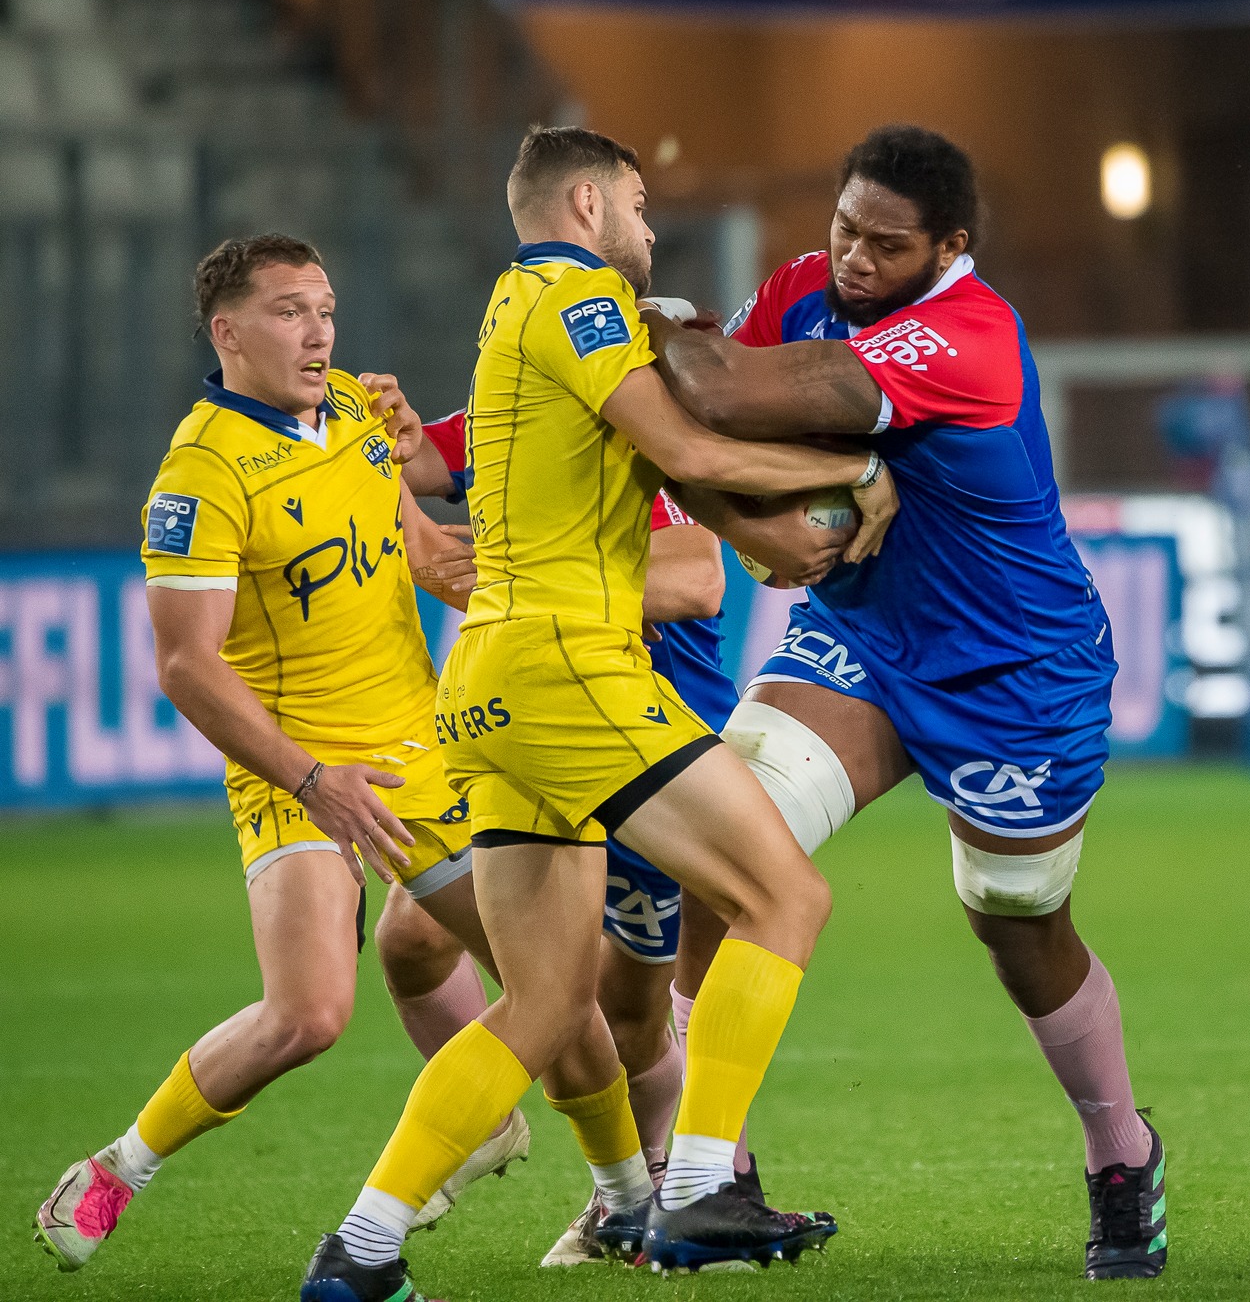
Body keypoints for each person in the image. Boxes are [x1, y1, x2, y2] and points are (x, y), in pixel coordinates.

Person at [300, 126, 899, 1300]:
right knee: (785, 894)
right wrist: (863, 471)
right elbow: (683, 439)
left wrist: (792, 522)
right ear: (584, 202)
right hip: (573, 665)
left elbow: (682, 492)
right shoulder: (578, 297)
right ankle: (699, 1187)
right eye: (635, 205)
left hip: (486, 685)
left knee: (543, 1006)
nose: (647, 227)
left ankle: (359, 1251)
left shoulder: (511, 313)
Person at [643, 124, 1165, 1280]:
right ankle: (710, 1169)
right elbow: (693, 422)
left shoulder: (969, 336)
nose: (854, 260)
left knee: (1016, 925)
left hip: (1014, 675)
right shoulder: (805, 287)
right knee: (720, 858)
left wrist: (615, 316)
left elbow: (713, 384)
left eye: (886, 244)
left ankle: (1118, 1150)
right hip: (863, 642)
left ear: (950, 247)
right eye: (842, 229)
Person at [33, 235, 526, 1274]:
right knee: (307, 1014)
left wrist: (533, 592)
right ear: (228, 332)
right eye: (293, 311)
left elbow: (423, 554)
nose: (320, 333)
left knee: (560, 981)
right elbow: (184, 665)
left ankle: (632, 1193)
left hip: (417, 753)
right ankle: (122, 1163)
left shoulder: (353, 408)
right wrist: (310, 779)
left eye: (328, 309)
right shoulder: (199, 474)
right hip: (295, 771)